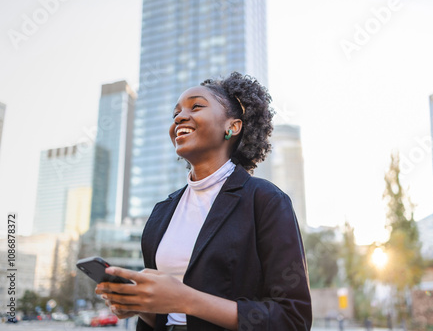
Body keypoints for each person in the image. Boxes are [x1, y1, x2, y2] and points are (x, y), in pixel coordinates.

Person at [95, 72, 312, 330]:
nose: (179, 117)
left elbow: (292, 318)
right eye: (175, 113)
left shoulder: (266, 201)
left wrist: (188, 300)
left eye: (196, 106)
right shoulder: (162, 212)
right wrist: (140, 307)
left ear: (232, 127)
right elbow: (165, 318)